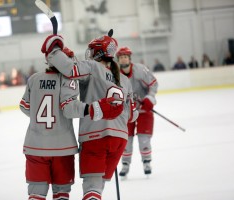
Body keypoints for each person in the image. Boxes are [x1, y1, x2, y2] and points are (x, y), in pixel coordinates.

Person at [42, 32, 138, 200]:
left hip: (95, 136)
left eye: (93, 51)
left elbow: (70, 70)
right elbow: (132, 116)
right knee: (98, 186)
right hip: (119, 139)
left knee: (91, 187)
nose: (90, 54)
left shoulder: (93, 67)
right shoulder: (125, 80)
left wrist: (54, 50)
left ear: (99, 52)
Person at [19, 46, 123, 200]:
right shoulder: (69, 79)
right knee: (61, 193)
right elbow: (69, 109)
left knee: (36, 193)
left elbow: (25, 107)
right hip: (63, 147)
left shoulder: (34, 78)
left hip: (35, 146)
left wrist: (41, 122)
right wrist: (93, 109)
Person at [116, 46, 158, 177]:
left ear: (129, 58)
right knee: (126, 140)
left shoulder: (140, 70)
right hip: (126, 113)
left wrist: (149, 98)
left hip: (144, 111)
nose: (123, 59)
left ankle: (146, 162)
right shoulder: (115, 74)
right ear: (118, 60)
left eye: (125, 57)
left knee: (144, 139)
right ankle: (125, 164)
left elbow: (153, 84)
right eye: (121, 57)